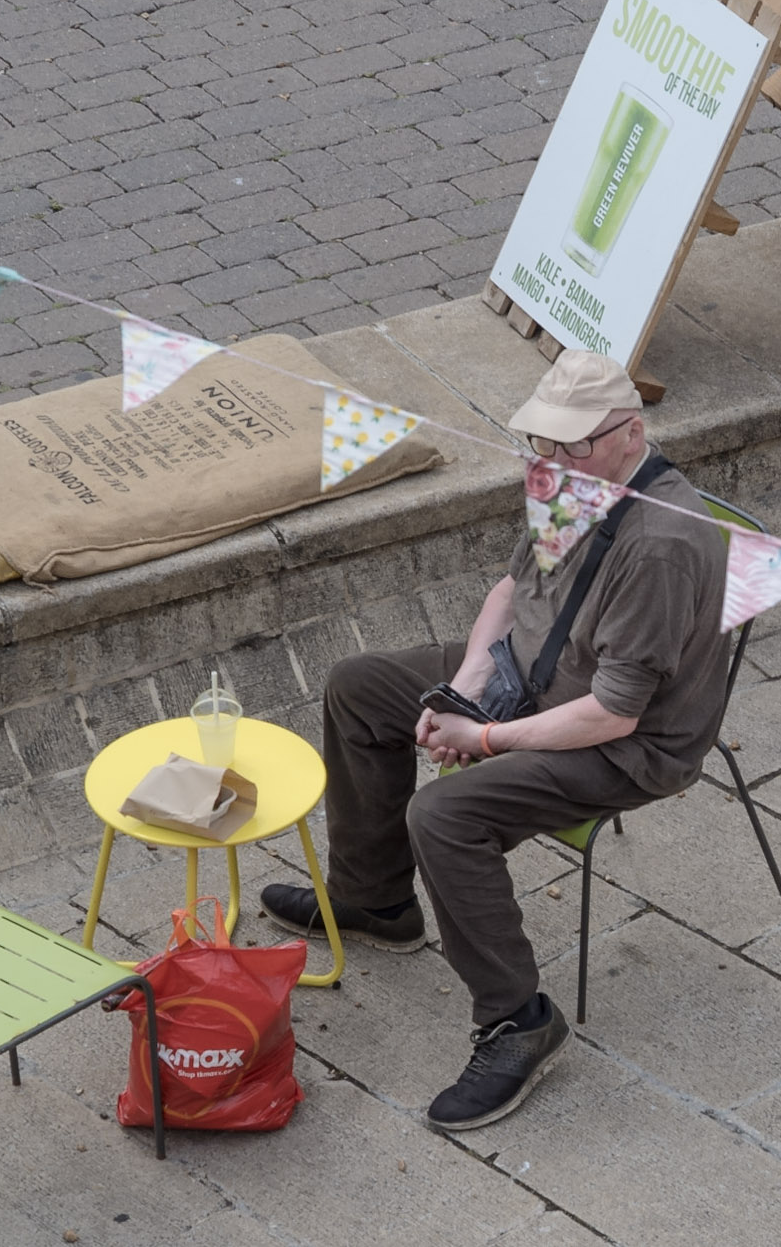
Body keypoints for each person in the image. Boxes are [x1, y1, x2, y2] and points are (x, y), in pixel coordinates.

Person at [261, 350, 731, 1130]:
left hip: (622, 743)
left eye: (571, 445)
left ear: (630, 433)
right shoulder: (569, 480)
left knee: (444, 818)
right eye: (543, 443)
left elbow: (613, 714)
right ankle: (374, 897)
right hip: (530, 677)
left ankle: (519, 1019)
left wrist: (482, 737)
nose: (552, 461)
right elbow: (512, 590)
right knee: (356, 685)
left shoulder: (662, 547)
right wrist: (471, 679)